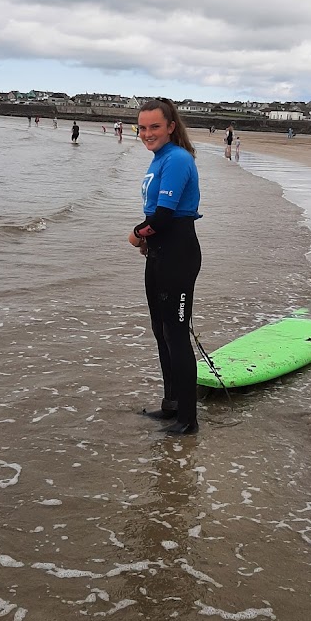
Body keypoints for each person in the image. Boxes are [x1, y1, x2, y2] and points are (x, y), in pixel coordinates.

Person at [128, 97, 202, 435]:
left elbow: (164, 216)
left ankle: (188, 419)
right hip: (160, 253)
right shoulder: (159, 159)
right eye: (142, 127)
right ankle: (171, 405)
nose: (147, 133)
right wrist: (148, 239)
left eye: (154, 126)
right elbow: (156, 215)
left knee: (176, 334)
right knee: (161, 332)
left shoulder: (176, 159)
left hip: (178, 254)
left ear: (171, 127)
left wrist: (136, 234)